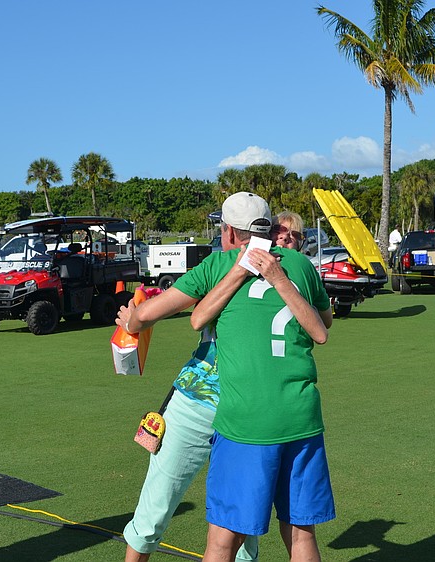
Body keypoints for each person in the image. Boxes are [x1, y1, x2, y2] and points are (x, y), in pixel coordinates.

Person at [119, 204, 329, 562]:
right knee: (259, 528)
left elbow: (157, 317)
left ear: (229, 231)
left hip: (212, 405)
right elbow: (323, 327)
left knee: (164, 503)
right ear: (269, 229)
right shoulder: (300, 267)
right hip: (273, 405)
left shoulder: (217, 265)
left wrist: (131, 320)